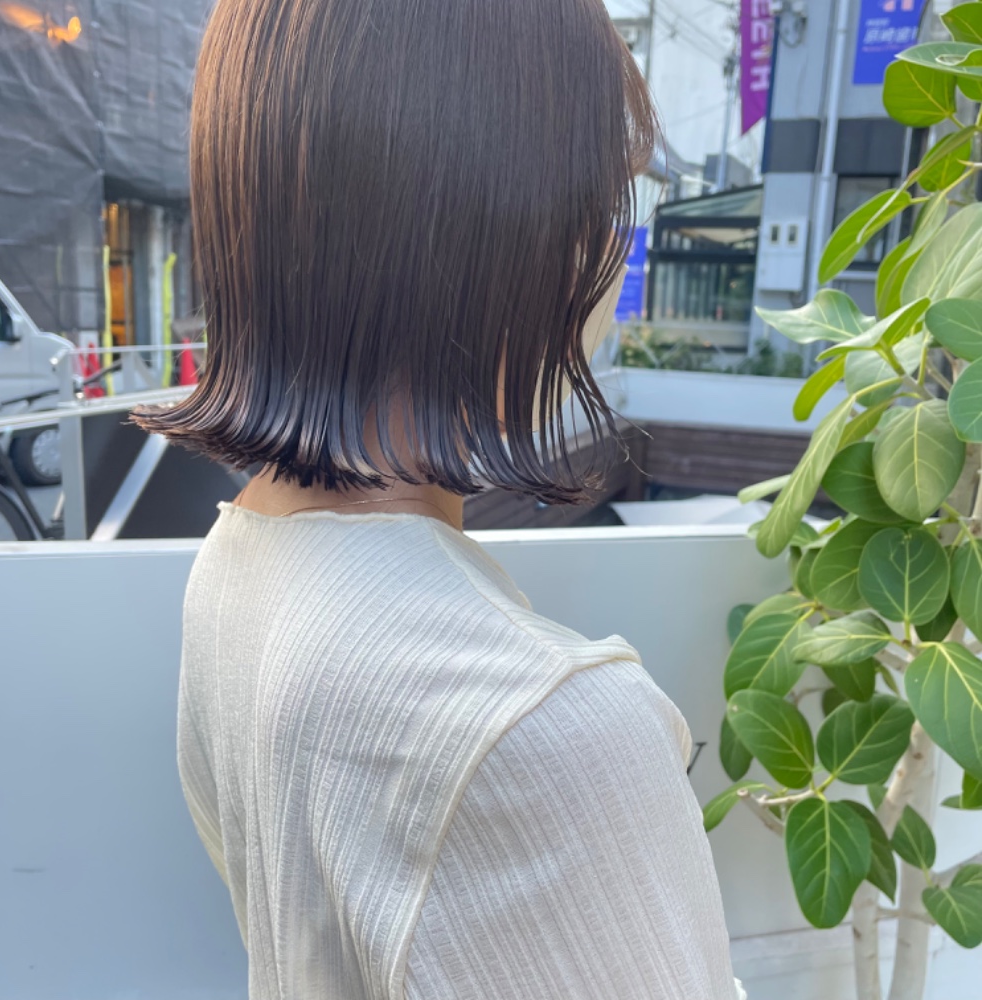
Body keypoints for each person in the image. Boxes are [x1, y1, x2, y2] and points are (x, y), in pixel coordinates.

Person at [133, 1, 745, 997]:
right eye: (606, 197)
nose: (609, 257)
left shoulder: (236, 567)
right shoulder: (543, 730)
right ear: (510, 225)